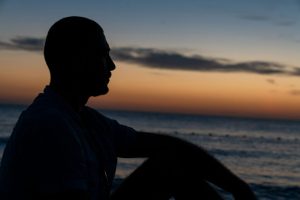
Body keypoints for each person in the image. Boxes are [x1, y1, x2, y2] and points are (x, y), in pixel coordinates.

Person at [0, 16, 256, 200]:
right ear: (73, 60)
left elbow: (173, 148)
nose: (112, 66)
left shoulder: (87, 121)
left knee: (172, 166)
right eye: (102, 54)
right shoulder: (49, 123)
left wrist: (237, 186)